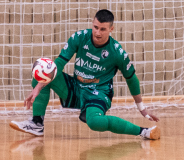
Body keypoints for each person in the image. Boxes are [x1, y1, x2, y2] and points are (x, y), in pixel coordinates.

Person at [10, 9, 161, 140]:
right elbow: (59, 63)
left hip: (98, 93)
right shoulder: (80, 37)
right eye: (95, 27)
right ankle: (37, 124)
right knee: (42, 74)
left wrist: (141, 108)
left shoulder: (117, 52)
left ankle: (144, 132)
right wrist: (38, 88)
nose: (97, 32)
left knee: (95, 122)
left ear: (111, 29)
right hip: (76, 88)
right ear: (92, 24)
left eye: (103, 29)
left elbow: (131, 79)